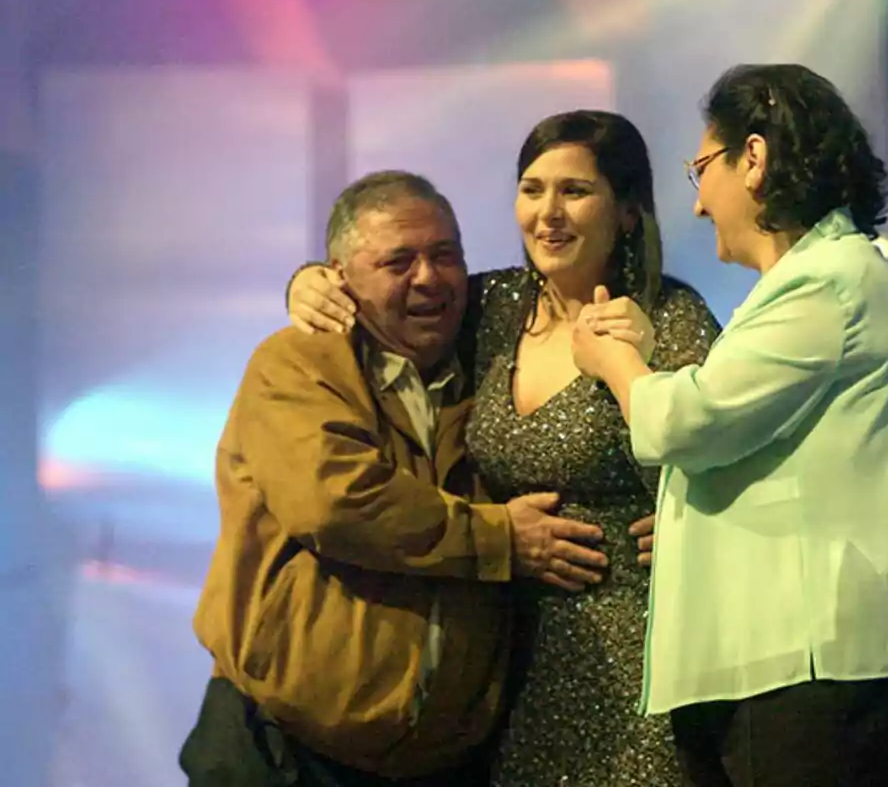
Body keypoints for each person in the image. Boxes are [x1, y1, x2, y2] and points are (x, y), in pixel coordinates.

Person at [286, 110, 721, 785]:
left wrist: (705, 526)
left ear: (629, 211)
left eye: (575, 191)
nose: (548, 213)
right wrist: (310, 280)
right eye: (532, 189)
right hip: (503, 664)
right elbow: (389, 291)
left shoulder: (670, 318)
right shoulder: (491, 308)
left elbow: (738, 454)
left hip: (641, 659)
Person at [572, 64, 888, 786]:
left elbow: (688, 422)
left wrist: (615, 359)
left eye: (701, 171)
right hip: (798, 665)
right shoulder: (817, 285)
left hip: (819, 669)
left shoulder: (829, 282)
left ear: (752, 157)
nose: (698, 206)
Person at [180, 170, 612, 787]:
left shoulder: (491, 367)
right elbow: (337, 503)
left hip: (435, 764)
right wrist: (500, 540)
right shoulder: (296, 363)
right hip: (279, 749)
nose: (429, 277)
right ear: (339, 278)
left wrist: (678, 516)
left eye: (445, 255)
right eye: (398, 261)